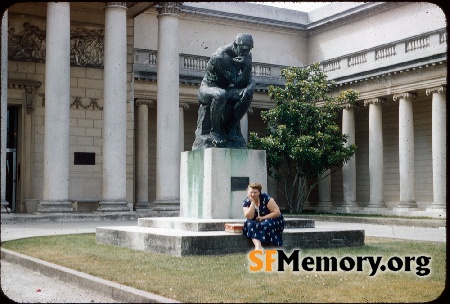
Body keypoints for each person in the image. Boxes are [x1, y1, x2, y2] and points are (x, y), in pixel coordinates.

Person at [192, 33, 256, 150]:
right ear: (235, 45)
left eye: (248, 49)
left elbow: (249, 80)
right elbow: (238, 82)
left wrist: (251, 86)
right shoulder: (220, 56)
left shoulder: (246, 55)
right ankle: (215, 132)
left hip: (225, 89)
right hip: (207, 89)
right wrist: (247, 67)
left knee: (247, 94)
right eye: (243, 49)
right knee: (220, 94)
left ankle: (231, 129)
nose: (245, 53)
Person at [242, 182, 285, 250]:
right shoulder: (246, 201)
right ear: (248, 192)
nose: (253, 194)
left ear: (259, 192)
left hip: (272, 219)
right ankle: (258, 246)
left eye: (255, 192)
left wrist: (263, 218)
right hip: (257, 220)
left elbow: (277, 212)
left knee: (266, 224)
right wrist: (253, 202)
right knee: (249, 223)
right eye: (251, 192)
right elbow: (249, 216)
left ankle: (273, 245)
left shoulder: (266, 198)